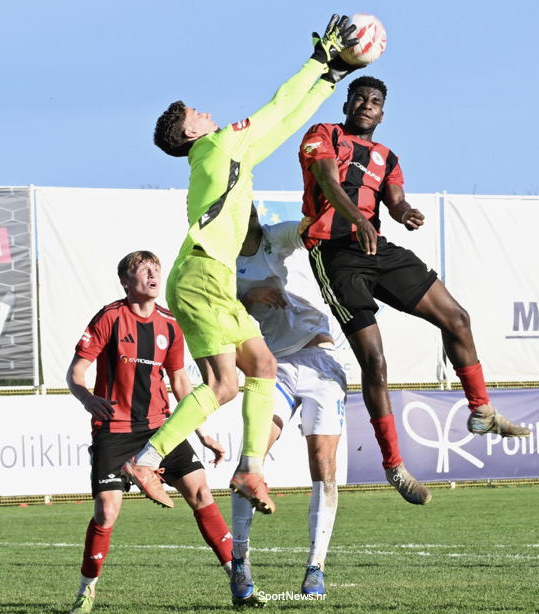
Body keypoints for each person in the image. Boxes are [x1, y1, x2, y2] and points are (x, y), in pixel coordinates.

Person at [124, 15, 360, 515]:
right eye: (198, 111)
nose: (208, 112)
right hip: (203, 276)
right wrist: (320, 60)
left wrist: (329, 79)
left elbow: (286, 121)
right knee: (241, 375)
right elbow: (276, 107)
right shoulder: (216, 145)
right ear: (190, 131)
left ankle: (231, 467)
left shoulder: (224, 155)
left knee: (241, 378)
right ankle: (174, 463)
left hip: (200, 278)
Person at [296, 76, 530, 506]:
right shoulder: (322, 135)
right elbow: (328, 182)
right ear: (348, 104)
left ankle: (481, 411)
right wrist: (361, 219)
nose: (367, 104)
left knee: (457, 318)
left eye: (376, 101)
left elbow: (395, 198)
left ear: (383, 113)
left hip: (375, 246)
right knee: (376, 361)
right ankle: (394, 465)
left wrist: (404, 213)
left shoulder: (388, 157)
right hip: (334, 253)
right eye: (361, 98)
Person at [64, 251, 238, 613]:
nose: (152, 273)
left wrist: (202, 433)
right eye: (142, 269)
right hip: (114, 429)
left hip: (161, 429)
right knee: (107, 513)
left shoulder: (170, 324)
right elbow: (75, 373)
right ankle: (86, 590)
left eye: (155, 268)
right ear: (126, 282)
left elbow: (179, 382)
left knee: (202, 492)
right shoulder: (110, 317)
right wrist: (86, 399)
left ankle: (239, 580)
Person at [230, 206, 347, 601]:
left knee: (324, 464)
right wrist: (248, 296)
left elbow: (306, 230)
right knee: (250, 461)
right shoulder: (224, 265)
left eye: (247, 201)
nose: (246, 209)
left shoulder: (274, 236)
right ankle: (240, 562)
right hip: (273, 366)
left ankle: (316, 567)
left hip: (319, 358)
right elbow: (225, 319)